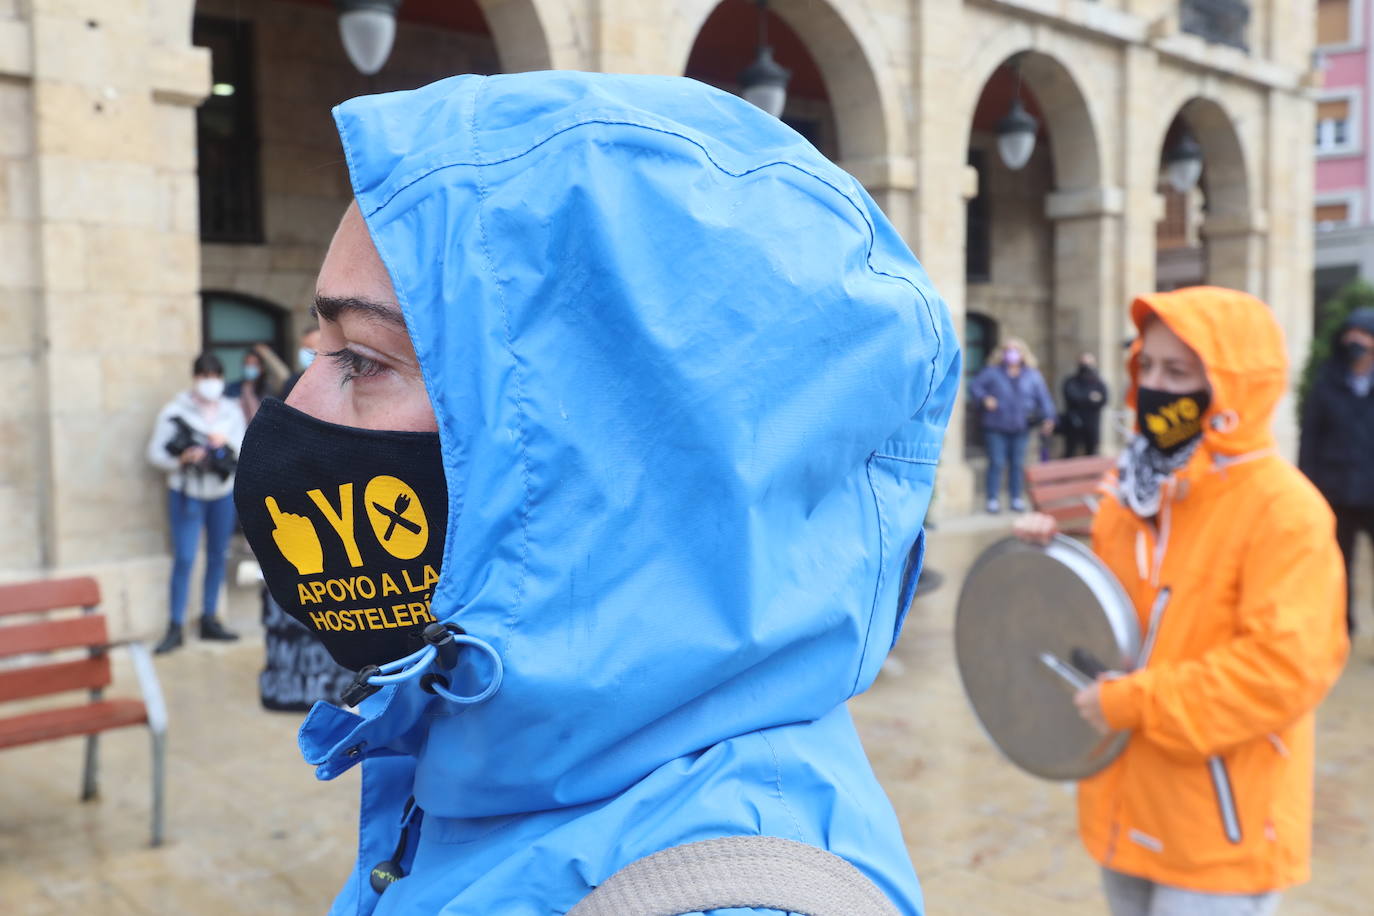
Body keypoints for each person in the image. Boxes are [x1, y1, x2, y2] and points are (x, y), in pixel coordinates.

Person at [231, 72, 958, 914]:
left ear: (601, 447)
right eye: (319, 347)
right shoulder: (499, 741)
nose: (295, 405)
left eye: (363, 358)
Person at [1016, 287, 1348, 915]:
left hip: (1220, 824)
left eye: (1179, 371)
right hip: (1125, 794)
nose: (1157, 387)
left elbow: (1283, 670)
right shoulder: (1133, 490)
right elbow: (1106, 617)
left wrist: (1132, 701)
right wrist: (1050, 560)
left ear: (1230, 384)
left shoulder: (1284, 510)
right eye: (1147, 367)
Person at [146, 353, 247, 653]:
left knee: (218, 555)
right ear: (195, 378)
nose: (210, 382)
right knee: (186, 558)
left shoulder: (231, 410)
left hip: (221, 492)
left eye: (215, 376)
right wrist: (183, 458)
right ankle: (176, 625)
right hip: (186, 493)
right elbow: (155, 454)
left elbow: (244, 447)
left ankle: (209, 619)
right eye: (205, 376)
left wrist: (223, 445)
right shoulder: (174, 412)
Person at [1300, 306, 1374, 635]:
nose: (1356, 341)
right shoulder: (1326, 383)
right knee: (1338, 565)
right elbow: (1310, 439)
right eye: (1351, 333)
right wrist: (1308, 489)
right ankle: (1342, 629)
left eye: (1365, 334)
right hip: (1336, 491)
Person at [969, 337, 1056, 513]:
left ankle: (1016, 497)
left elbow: (1043, 398)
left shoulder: (1032, 374)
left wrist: (1049, 417)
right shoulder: (992, 372)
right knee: (997, 462)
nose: (1012, 354)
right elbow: (975, 387)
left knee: (1017, 463)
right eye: (1008, 350)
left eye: (1016, 350)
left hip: (1021, 425)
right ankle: (992, 498)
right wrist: (985, 399)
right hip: (995, 425)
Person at [226, 343, 290, 424]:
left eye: (254, 364)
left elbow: (285, 378)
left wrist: (268, 355)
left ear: (262, 368)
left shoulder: (268, 390)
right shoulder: (232, 388)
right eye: (247, 364)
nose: (249, 367)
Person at [1062, 351, 1109, 457]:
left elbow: (1104, 399)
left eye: (1088, 363)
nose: (1086, 366)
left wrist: (1084, 398)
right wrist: (1090, 397)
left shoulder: (1098, 382)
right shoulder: (1071, 381)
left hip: (1092, 423)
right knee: (1070, 452)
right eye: (1083, 363)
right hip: (1074, 422)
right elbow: (1072, 397)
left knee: (1092, 453)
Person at [277, 326, 320, 402]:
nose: (306, 351)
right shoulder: (294, 382)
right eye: (304, 346)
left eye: (310, 346)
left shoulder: (342, 382)